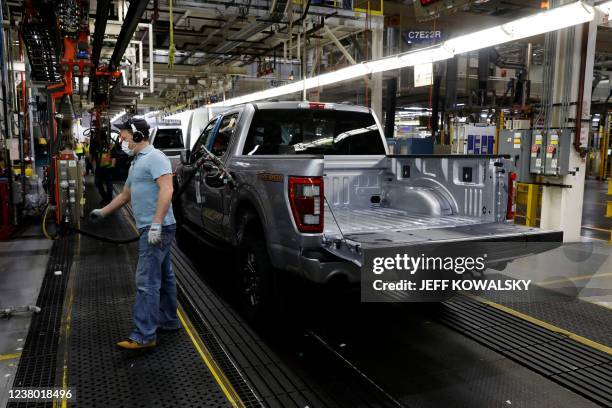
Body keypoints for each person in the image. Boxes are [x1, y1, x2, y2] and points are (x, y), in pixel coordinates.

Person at [90, 118, 177, 350]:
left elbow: (167, 189)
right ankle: (168, 320)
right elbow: (126, 193)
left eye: (125, 135)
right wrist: (103, 212)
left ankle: (144, 335)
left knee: (146, 281)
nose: (122, 140)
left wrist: (157, 224)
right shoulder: (137, 161)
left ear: (138, 136)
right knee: (165, 276)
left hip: (156, 227)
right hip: (153, 226)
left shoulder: (156, 158)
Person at [93, 138, 115, 206]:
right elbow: (114, 157)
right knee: (106, 183)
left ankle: (106, 198)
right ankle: (107, 198)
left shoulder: (97, 147)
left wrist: (94, 170)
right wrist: (112, 166)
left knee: (101, 184)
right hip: (104, 169)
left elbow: (94, 160)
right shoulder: (110, 147)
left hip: (103, 169)